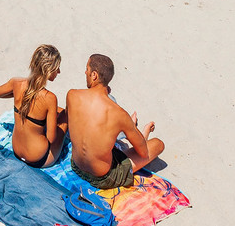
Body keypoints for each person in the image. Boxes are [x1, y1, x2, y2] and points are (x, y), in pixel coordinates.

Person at [66, 54, 164, 190]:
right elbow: (143, 153)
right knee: (158, 144)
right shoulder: (119, 114)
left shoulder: (72, 95)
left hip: (76, 165)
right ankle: (141, 133)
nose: (85, 72)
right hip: (102, 178)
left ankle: (133, 133)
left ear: (94, 75)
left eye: (86, 69)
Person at [0, 45, 67, 168]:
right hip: (40, 159)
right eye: (57, 68)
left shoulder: (16, 83)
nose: (59, 72)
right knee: (66, 114)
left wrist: (18, 96)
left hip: (17, 151)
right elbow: (51, 138)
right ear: (48, 70)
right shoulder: (50, 98)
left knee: (48, 113)